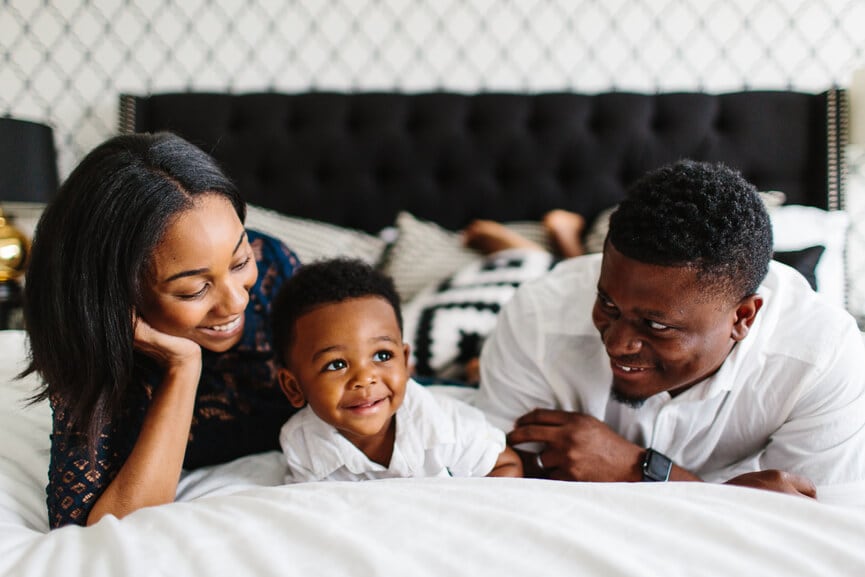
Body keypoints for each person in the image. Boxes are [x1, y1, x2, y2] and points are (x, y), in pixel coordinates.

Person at [475, 159, 865, 497]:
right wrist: (728, 502)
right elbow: (502, 476)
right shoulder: (537, 316)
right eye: (607, 305)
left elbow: (811, 526)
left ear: (743, 317)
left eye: (656, 325)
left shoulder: (823, 359)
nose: (617, 343)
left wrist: (638, 470)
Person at [23, 132, 302, 528]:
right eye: (194, 289)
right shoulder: (90, 350)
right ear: (118, 294)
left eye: (239, 262)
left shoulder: (274, 270)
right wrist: (182, 367)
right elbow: (95, 528)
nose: (236, 302)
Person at [270, 258, 522, 482]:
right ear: (293, 387)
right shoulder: (302, 445)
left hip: (458, 397)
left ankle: (475, 371)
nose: (365, 378)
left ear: (404, 360)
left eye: (382, 355)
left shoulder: (449, 428)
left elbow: (507, 464)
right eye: (337, 364)